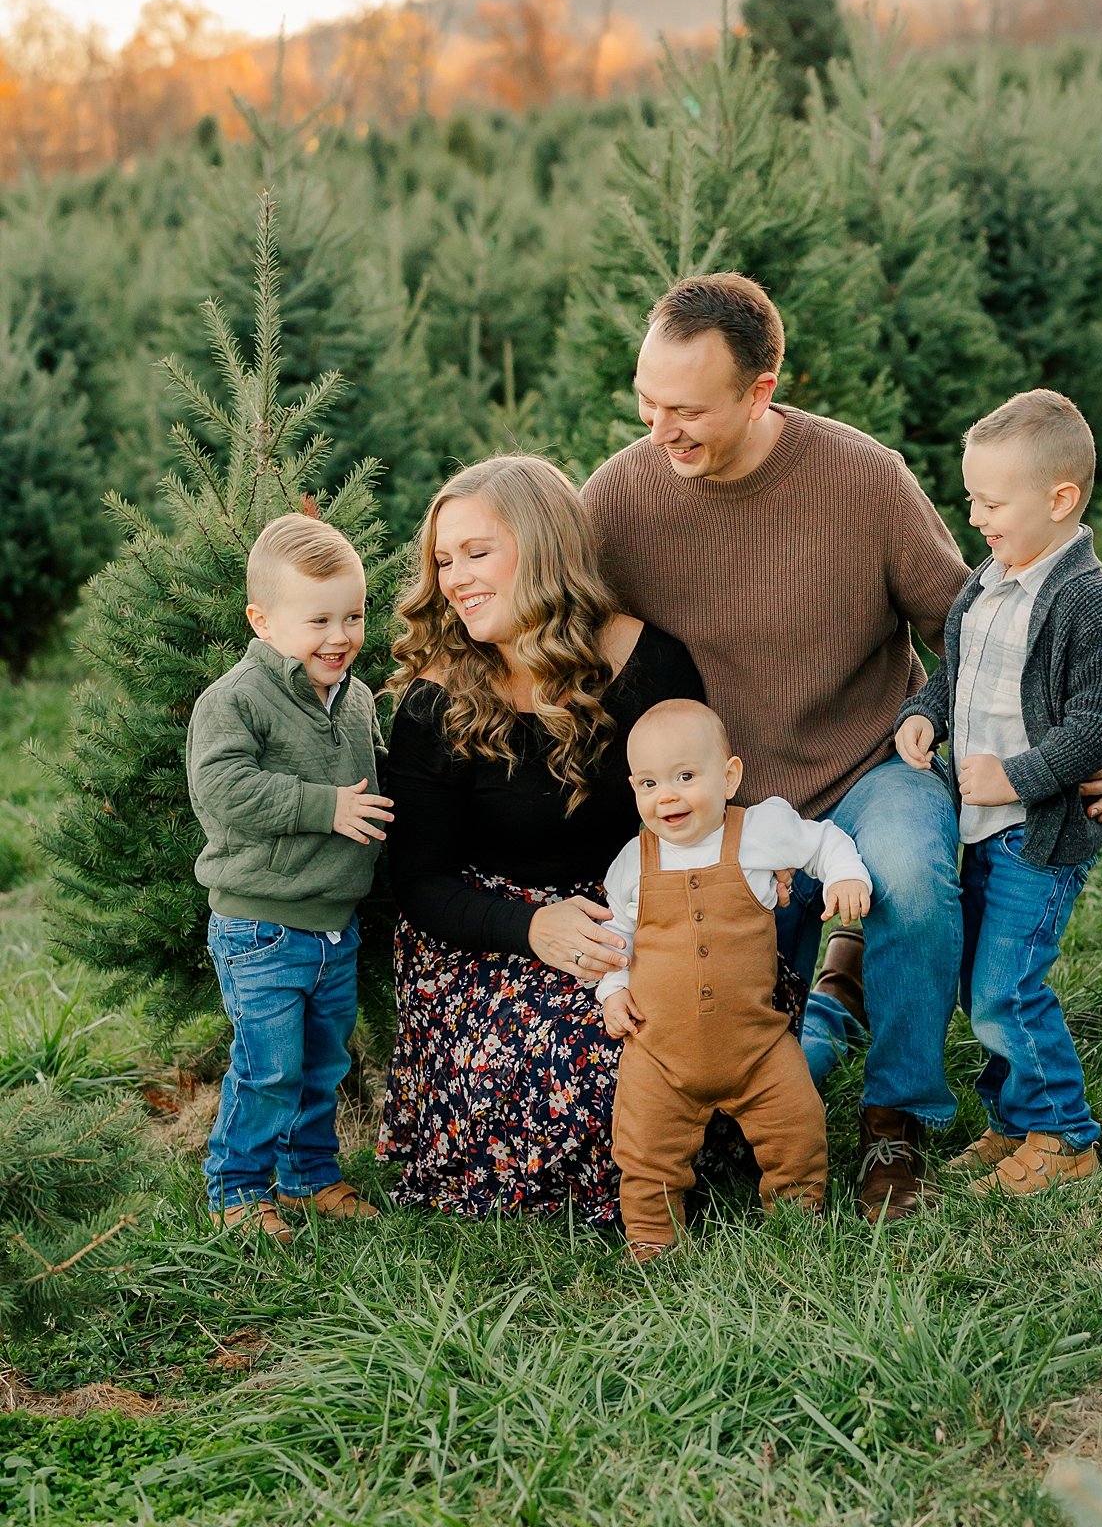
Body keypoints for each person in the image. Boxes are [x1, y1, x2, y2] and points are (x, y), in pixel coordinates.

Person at [580, 272, 1102, 1221]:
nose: (658, 428)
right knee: (776, 1042)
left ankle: (896, 1122)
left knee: (914, 879)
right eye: (646, 401)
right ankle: (835, 1001)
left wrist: (1073, 739)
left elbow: (978, 621)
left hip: (874, 764)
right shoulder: (621, 501)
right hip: (727, 803)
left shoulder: (861, 477)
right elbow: (548, 633)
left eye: (684, 408)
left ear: (761, 389)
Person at [378, 454, 705, 1226]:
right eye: (444, 559)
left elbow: (691, 813)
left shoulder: (649, 663)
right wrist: (532, 927)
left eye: (478, 552)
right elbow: (419, 882)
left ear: (544, 546)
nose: (455, 578)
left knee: (699, 1029)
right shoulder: (437, 697)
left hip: (632, 910)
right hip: (482, 934)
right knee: (584, 1061)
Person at [895, 390, 1102, 1197]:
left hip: (1034, 836)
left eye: (992, 502)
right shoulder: (987, 583)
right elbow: (957, 674)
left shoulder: (1088, 603)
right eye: (972, 498)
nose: (975, 516)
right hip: (980, 826)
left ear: (1059, 499)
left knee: (1009, 986)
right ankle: (1013, 1120)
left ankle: (1066, 1133)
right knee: (981, 981)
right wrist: (923, 715)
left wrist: (1021, 774)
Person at [598, 698, 871, 1259]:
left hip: (757, 1044)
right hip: (659, 1052)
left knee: (797, 1126)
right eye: (648, 783)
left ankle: (797, 1217)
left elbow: (822, 841)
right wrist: (612, 989)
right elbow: (616, 936)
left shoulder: (759, 831)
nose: (666, 795)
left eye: (685, 776)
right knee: (643, 1148)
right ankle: (652, 1236)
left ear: (729, 776)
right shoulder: (632, 861)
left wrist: (844, 874)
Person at [186, 512, 391, 1242]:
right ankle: (236, 1190)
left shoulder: (358, 695)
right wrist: (322, 807)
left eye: (354, 616)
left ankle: (309, 1178)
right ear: (262, 621)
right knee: (267, 1067)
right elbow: (222, 789)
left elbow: (376, 781)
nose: (340, 636)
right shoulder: (235, 700)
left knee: (322, 1063)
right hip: (263, 924)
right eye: (319, 621)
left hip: (335, 924)